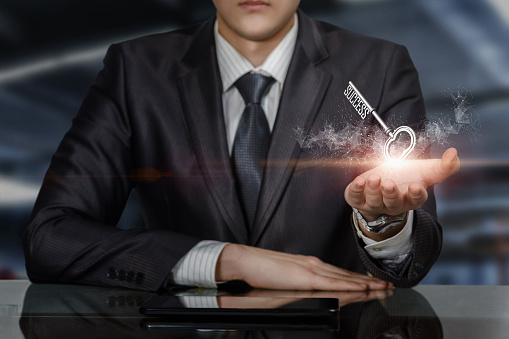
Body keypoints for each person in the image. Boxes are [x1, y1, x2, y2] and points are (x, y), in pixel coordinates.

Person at [22, 0, 460, 292]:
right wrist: (221, 260)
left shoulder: (379, 66)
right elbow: (50, 238)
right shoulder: (135, 70)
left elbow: (411, 265)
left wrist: (383, 223)